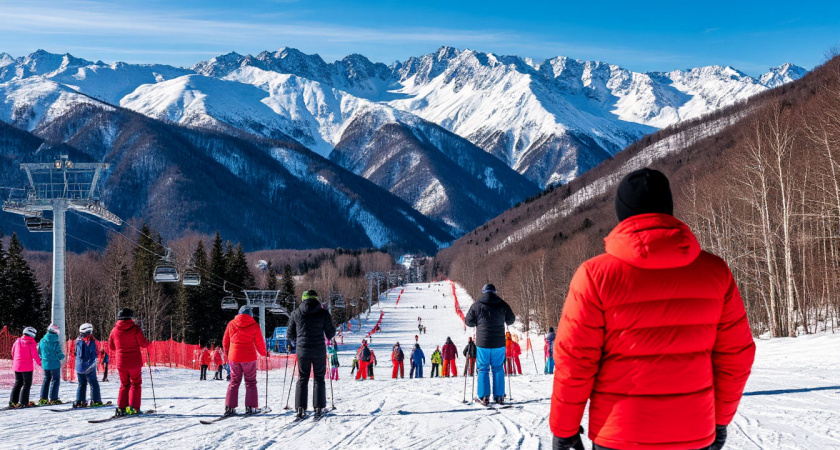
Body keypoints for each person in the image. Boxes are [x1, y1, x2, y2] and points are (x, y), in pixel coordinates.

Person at [549, 168, 757, 450]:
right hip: (693, 433)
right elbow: (736, 356)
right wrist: (720, 420)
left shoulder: (594, 275)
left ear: (621, 213)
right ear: (668, 210)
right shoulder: (714, 271)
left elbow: (575, 361)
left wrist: (564, 430)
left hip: (619, 434)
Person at [288, 290, 336, 418]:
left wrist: (297, 342)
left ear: (303, 299)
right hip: (319, 349)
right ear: (316, 299)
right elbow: (330, 333)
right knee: (319, 378)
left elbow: (290, 333)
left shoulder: (296, 313)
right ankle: (319, 407)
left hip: (302, 350)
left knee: (302, 378)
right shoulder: (323, 313)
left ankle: (300, 408)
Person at [465, 284, 515, 406]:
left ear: (483, 292)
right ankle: (499, 397)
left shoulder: (476, 305)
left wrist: (477, 321)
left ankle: (484, 396)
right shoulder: (502, 304)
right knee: (498, 368)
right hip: (498, 342)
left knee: (483, 368)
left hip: (483, 342)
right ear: (494, 292)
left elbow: (468, 322)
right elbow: (511, 320)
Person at [223, 305, 267, 416]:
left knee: (234, 381)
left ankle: (229, 407)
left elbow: (225, 341)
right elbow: (259, 343)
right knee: (250, 382)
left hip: (234, 357)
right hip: (249, 357)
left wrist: (227, 354)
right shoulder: (254, 325)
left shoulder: (231, 324)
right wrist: (264, 354)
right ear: (250, 314)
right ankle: (251, 407)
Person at [109, 308, 151, 416]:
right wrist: (147, 342)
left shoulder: (114, 330)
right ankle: (133, 408)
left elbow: (111, 347)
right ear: (131, 317)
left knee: (124, 384)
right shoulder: (135, 329)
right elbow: (142, 343)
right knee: (136, 383)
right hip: (134, 362)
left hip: (121, 362)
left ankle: (122, 407)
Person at [9, 327, 41, 408]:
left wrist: (16, 360)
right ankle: (23, 402)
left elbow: (12, 351)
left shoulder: (17, 341)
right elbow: (35, 355)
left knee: (18, 383)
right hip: (27, 367)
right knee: (26, 385)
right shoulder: (31, 342)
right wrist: (41, 363)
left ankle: (13, 401)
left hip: (17, 366)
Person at [75, 323, 104, 408]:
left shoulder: (78, 340)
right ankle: (96, 400)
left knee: (82, 383)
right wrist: (97, 354)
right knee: (93, 383)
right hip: (88, 365)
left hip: (79, 365)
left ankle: (80, 400)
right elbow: (92, 352)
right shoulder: (89, 340)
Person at [38, 324, 64, 405]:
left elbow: (39, 351)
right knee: (55, 380)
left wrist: (43, 357)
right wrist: (62, 357)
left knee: (46, 380)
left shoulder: (42, 340)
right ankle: (53, 398)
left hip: (45, 363)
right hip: (54, 364)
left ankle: (43, 398)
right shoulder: (55, 341)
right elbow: (58, 352)